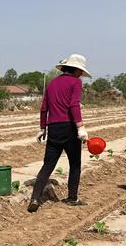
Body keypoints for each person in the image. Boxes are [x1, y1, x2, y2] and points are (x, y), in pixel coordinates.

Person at [27, 54, 91, 213]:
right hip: (69, 127)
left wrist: (43, 128)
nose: (81, 74)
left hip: (54, 128)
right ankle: (72, 198)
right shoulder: (76, 82)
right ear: (75, 69)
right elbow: (74, 105)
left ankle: (35, 198)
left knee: (48, 165)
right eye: (80, 71)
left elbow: (44, 108)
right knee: (75, 164)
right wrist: (80, 127)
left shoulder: (51, 83)